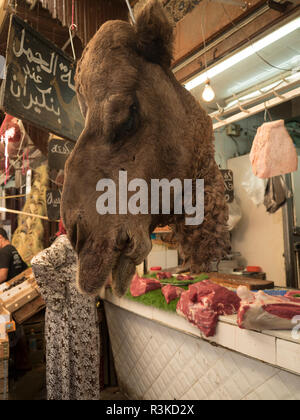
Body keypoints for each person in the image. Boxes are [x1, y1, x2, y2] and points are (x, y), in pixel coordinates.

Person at [31, 220, 101, 400]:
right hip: (67, 318)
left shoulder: (82, 244)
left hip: (81, 319)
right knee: (68, 361)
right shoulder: (66, 242)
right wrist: (58, 294)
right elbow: (38, 262)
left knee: (83, 363)